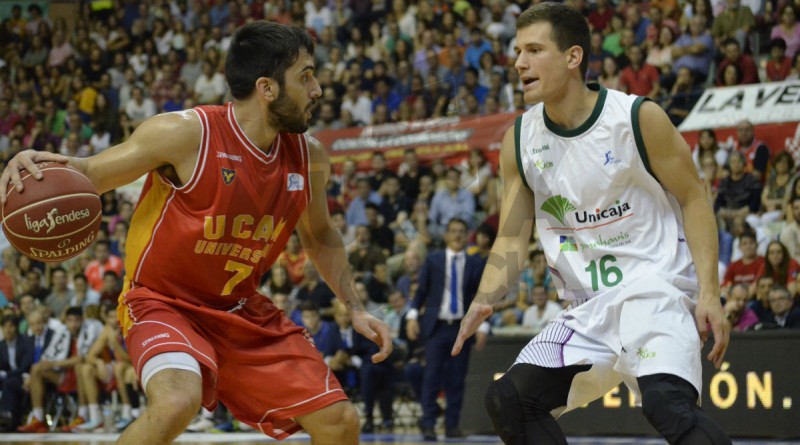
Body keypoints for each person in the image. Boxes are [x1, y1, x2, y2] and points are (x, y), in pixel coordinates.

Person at [0, 22, 391, 445]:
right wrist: (34, 164)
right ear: (267, 88)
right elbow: (93, 172)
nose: (317, 89)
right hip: (163, 302)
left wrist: (354, 306)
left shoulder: (309, 156)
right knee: (174, 403)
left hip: (239, 310)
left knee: (340, 422)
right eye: (306, 75)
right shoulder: (186, 133)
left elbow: (319, 235)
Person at [450, 4, 730, 445]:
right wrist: (486, 297)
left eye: (534, 49)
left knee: (667, 407)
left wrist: (709, 293)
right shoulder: (519, 140)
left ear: (573, 57)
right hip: (587, 309)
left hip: (654, 292)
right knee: (509, 400)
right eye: (517, 51)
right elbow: (511, 233)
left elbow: (695, 197)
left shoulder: (638, 118)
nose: (519, 62)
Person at [406, 218, 487, 441]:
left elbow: (481, 298)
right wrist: (412, 316)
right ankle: (429, 423)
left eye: (462, 231)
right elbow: (421, 292)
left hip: (462, 329)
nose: (458, 235)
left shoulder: (475, 263)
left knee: (457, 379)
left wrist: (484, 326)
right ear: (446, 235)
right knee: (431, 377)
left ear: (466, 234)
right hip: (436, 328)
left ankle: (452, 425)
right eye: (453, 231)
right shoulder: (433, 260)